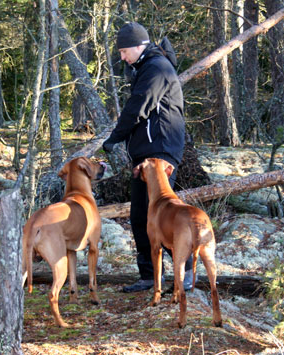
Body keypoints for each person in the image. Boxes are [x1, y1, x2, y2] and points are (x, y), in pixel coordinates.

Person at [102, 22, 195, 293]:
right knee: (140, 215)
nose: (122, 57)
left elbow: (137, 107)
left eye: (123, 51)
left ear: (138, 46)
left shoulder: (156, 68)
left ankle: (187, 269)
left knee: (159, 216)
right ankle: (149, 275)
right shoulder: (147, 66)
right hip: (147, 152)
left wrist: (115, 137)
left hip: (160, 151)